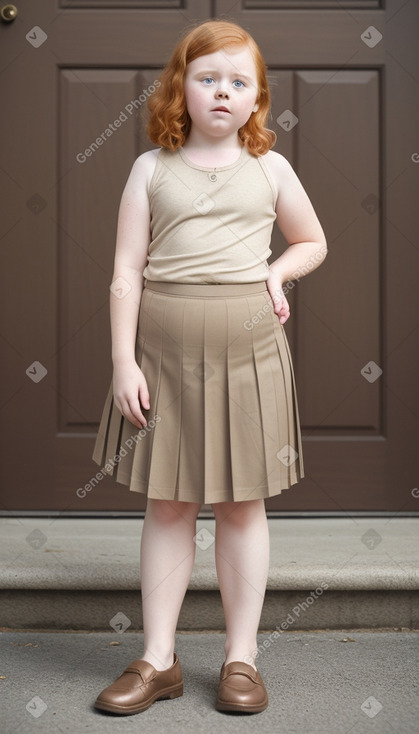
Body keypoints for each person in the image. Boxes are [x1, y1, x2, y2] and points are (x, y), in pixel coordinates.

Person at [92, 17, 327, 716]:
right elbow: (124, 274)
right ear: (180, 88)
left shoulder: (271, 168)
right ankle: (158, 659)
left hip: (249, 353)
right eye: (206, 78)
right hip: (160, 357)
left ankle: (240, 658)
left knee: (241, 501)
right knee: (166, 500)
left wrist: (278, 272)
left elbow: (311, 241)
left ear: (255, 98)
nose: (220, 92)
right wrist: (120, 362)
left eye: (236, 82)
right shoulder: (150, 169)